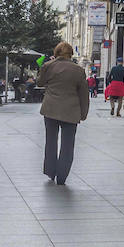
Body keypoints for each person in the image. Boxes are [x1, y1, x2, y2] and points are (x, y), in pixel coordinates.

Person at [36, 41, 89, 185]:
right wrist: (83, 113)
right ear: (71, 54)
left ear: (56, 53)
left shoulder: (48, 66)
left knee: (51, 141)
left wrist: (44, 67)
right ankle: (62, 176)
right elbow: (84, 94)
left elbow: (39, 83)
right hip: (71, 111)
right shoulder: (78, 70)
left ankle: (50, 171)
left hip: (51, 109)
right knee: (67, 144)